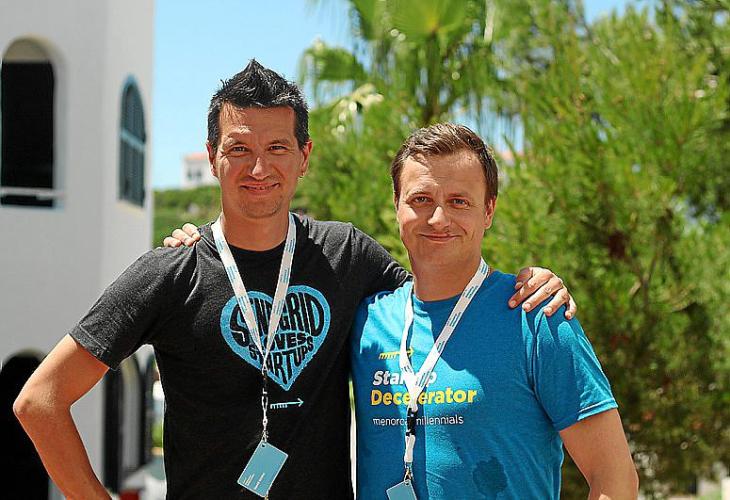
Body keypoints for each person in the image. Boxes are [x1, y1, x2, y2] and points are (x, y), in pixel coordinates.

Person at [14, 61, 575, 499]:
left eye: (277, 148)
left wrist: (530, 282)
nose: (259, 168)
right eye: (239, 149)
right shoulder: (169, 273)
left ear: (304, 157)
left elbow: (440, 303)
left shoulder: (346, 254)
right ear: (212, 157)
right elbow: (39, 401)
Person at [350, 123, 638, 499]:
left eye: (459, 201)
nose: (438, 219)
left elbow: (614, 477)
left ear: (488, 211)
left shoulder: (535, 316)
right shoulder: (368, 321)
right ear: (396, 205)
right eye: (421, 199)